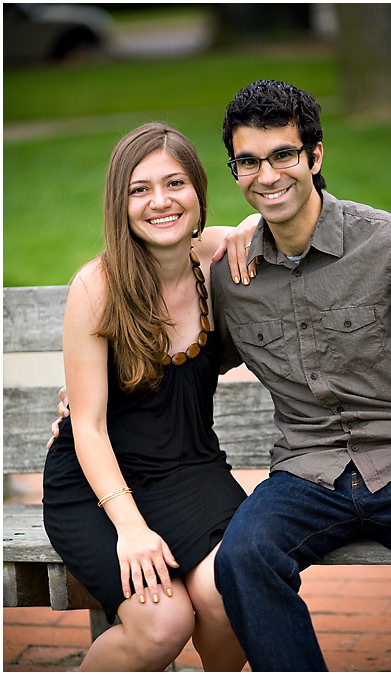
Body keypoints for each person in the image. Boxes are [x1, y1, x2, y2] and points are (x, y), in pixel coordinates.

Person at [208, 80, 391, 671]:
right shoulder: (231, 276)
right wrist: (89, 390)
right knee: (242, 558)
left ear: (315, 157)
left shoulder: (389, 244)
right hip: (306, 472)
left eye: (284, 155)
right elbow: (178, 366)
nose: (267, 176)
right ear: (235, 172)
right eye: (249, 162)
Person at [42, 122, 258, 671]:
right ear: (121, 202)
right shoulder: (97, 287)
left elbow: (272, 222)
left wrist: (253, 220)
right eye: (140, 189)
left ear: (199, 193)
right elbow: (87, 427)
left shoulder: (215, 263)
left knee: (227, 593)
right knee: (163, 624)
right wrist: (131, 529)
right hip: (99, 483)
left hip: (191, 469)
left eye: (175, 183)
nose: (160, 202)